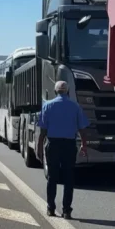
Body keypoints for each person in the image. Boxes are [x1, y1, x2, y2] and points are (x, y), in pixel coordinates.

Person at [36, 81, 89, 219]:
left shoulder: (47, 106)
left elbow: (43, 131)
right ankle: (66, 210)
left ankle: (51, 208)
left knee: (52, 177)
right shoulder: (75, 106)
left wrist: (39, 148)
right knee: (69, 178)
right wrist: (84, 145)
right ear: (68, 91)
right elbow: (82, 129)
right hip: (69, 145)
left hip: (53, 144)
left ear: (55, 91)